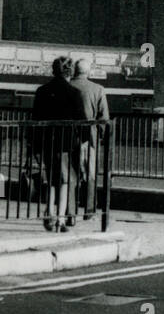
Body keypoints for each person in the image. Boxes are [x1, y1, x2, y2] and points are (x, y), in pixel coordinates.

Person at [30, 56, 82, 232]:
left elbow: (35, 120)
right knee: (65, 180)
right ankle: (60, 218)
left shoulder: (41, 91)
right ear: (71, 72)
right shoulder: (74, 93)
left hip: (46, 142)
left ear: (54, 70)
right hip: (66, 144)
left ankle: (49, 213)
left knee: (52, 179)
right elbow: (81, 121)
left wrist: (34, 146)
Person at [69, 57, 110, 219]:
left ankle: (70, 211)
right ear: (88, 71)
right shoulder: (98, 89)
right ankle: (89, 209)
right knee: (90, 173)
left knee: (70, 173)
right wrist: (100, 135)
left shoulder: (68, 86)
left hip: (69, 137)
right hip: (89, 137)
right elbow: (104, 117)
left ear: (75, 70)